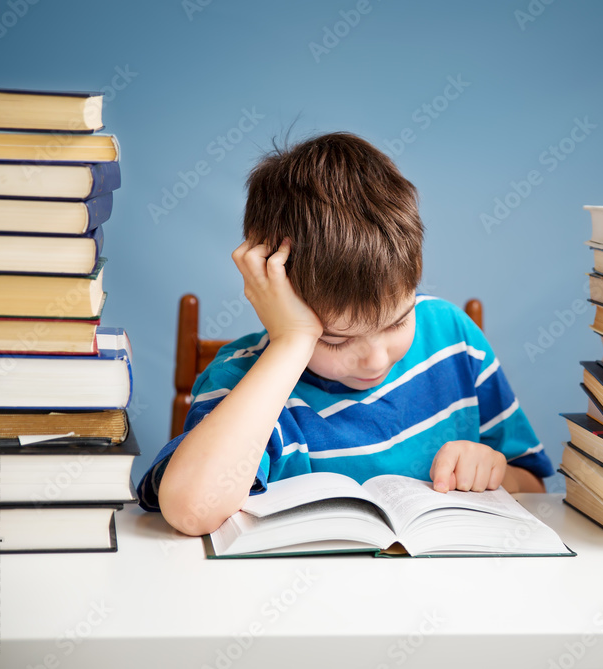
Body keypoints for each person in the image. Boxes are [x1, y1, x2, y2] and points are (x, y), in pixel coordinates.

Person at [137, 132, 553, 536]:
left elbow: (536, 490)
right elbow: (191, 511)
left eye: (396, 322)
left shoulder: (454, 339)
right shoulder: (244, 383)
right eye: (334, 339)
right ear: (273, 297)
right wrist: (292, 342)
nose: (374, 359)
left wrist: (497, 473)